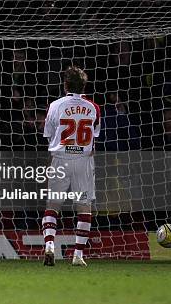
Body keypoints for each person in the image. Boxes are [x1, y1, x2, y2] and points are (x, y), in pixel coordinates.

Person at [42, 66, 100, 267]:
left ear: (65, 84)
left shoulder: (55, 105)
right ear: (84, 85)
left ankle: (49, 245)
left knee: (53, 206)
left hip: (60, 158)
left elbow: (50, 137)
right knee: (84, 208)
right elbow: (94, 140)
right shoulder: (93, 108)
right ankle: (78, 255)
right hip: (83, 161)